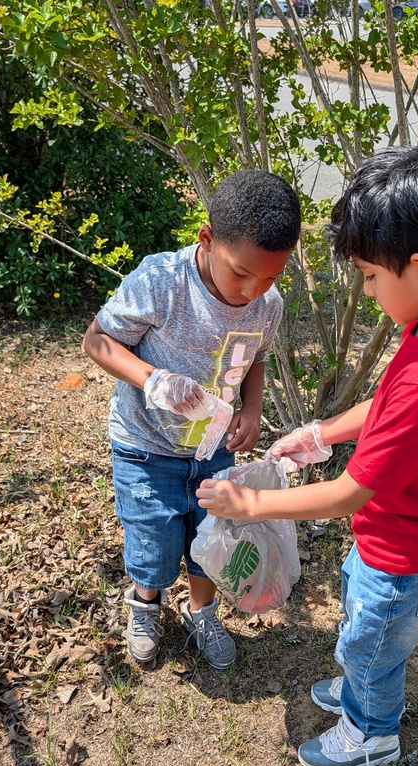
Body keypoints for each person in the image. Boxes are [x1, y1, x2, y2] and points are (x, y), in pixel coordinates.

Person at [197, 146, 418, 766]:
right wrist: (323, 432)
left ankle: (370, 731)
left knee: (372, 643)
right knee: (368, 634)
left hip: (404, 558)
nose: (365, 287)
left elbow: (344, 495)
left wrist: (247, 502)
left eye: (367, 275)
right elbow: (385, 402)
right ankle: (363, 685)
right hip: (408, 538)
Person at [82, 170, 301, 669]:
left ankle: (202, 609)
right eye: (242, 272)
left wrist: (252, 408)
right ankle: (146, 601)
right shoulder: (162, 283)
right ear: (207, 239)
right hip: (147, 446)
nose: (254, 289)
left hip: (214, 449)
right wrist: (152, 379)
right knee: (153, 541)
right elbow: (97, 340)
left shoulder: (267, 305)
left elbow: (256, 359)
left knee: (212, 538)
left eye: (271, 277)